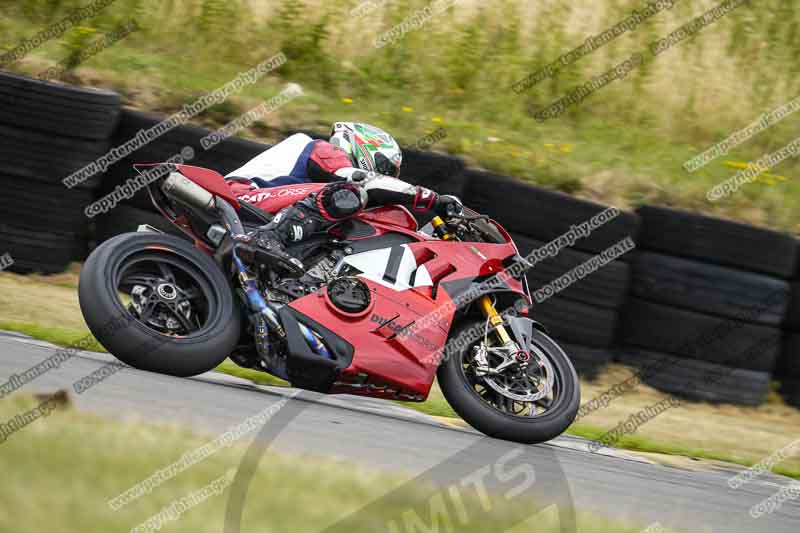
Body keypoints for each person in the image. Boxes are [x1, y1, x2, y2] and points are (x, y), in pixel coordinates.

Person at [225, 122, 463, 275]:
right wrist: (432, 199)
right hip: (242, 197)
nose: (384, 175)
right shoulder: (321, 148)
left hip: (258, 209)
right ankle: (268, 238)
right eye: (384, 168)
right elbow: (359, 180)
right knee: (350, 193)